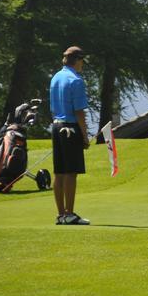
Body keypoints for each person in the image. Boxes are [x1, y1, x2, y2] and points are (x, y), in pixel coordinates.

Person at [49, 46, 91, 225]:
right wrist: (85, 135)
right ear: (78, 60)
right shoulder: (76, 80)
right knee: (71, 173)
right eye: (82, 61)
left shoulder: (56, 77)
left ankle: (61, 215)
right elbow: (79, 112)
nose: (83, 65)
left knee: (59, 172)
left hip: (56, 127)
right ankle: (70, 213)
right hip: (71, 128)